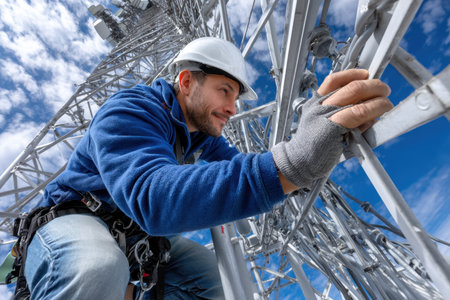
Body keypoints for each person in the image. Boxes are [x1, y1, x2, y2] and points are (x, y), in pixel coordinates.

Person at [19, 37, 392, 299]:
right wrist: (294, 162)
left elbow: (256, 170)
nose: (233, 107)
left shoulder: (203, 138)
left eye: (235, 97)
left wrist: (315, 145)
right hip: (77, 219)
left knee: (217, 282)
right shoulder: (130, 110)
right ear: (186, 82)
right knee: (96, 268)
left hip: (136, 241)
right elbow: (154, 198)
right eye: (224, 90)